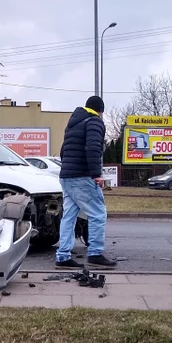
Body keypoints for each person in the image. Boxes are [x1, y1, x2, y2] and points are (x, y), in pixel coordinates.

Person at [55, 96, 116, 269]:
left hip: (66, 176)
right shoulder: (94, 122)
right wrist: (97, 174)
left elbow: (63, 151)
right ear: (100, 111)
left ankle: (63, 256)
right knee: (98, 213)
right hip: (82, 176)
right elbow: (93, 147)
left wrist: (69, 168)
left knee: (69, 216)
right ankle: (95, 254)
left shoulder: (73, 123)